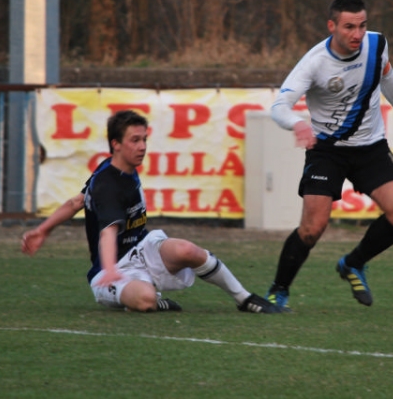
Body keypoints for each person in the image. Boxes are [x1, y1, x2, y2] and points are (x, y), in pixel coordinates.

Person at [22, 110, 283, 314]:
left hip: (143, 246)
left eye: (144, 139)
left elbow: (76, 202)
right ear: (116, 144)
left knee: (188, 251)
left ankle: (244, 298)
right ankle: (154, 300)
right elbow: (108, 233)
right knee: (144, 300)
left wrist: (42, 230)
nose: (142, 147)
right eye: (134, 140)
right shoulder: (108, 185)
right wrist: (112, 269)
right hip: (111, 269)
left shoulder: (111, 166)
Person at [265, 0, 393, 309]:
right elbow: (278, 106)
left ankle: (353, 263)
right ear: (332, 26)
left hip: (371, 147)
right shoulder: (315, 63)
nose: (357, 34)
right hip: (327, 150)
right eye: (349, 27)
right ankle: (278, 290)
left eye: (362, 25)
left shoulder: (376, 45)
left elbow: (387, 76)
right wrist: (297, 124)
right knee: (313, 228)